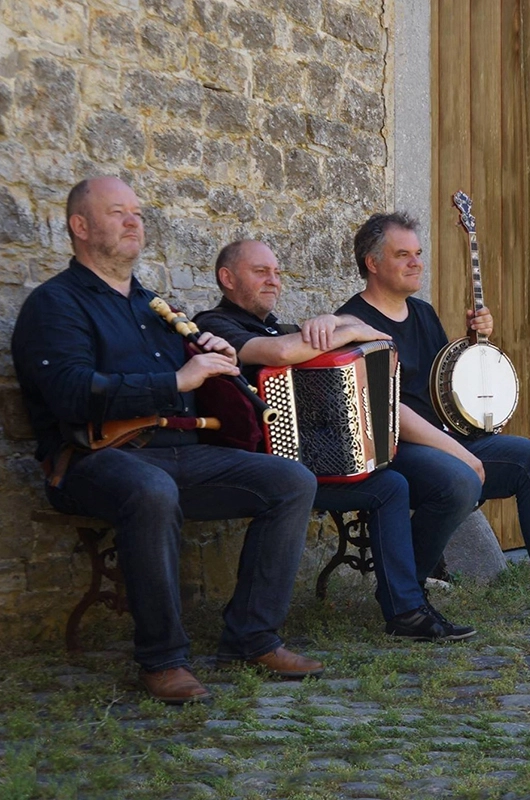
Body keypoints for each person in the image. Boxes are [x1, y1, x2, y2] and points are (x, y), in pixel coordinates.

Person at [11, 177, 323, 705]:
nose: (135, 221)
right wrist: (179, 379)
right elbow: (69, 394)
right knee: (150, 489)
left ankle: (252, 637)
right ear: (80, 227)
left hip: (177, 452)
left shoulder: (152, 307)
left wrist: (214, 359)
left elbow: (191, 392)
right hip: (92, 458)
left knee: (290, 480)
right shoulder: (55, 305)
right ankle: (163, 659)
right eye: (118, 212)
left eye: (138, 212)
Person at [337, 211, 530, 619]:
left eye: (418, 253)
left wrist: (474, 342)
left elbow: (444, 385)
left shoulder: (422, 314)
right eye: (403, 255)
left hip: (446, 439)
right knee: (457, 479)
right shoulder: (353, 322)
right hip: (395, 448)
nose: (417, 262)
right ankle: (405, 591)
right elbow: (383, 409)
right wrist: (460, 452)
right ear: (372, 262)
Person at [194, 239, 477, 642]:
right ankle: (403, 608)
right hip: (252, 466)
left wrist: (345, 325)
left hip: (304, 461)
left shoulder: (280, 324)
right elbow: (278, 353)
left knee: (390, 484)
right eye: (261, 272)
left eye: (276, 272)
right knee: (396, 485)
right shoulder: (215, 324)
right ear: (227, 278)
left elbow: (376, 339)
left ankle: (406, 612)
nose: (273, 280)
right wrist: (336, 327)